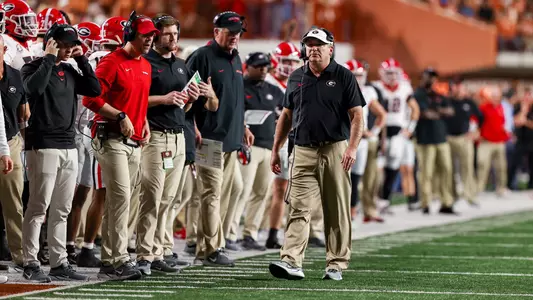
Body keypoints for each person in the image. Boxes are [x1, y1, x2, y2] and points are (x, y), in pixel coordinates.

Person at [269, 27, 365, 281]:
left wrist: (352, 147)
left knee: (336, 209)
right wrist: (276, 148)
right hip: (301, 149)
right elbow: (286, 116)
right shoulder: (296, 76)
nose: (313, 48)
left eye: (318, 44)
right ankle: (291, 261)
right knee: (298, 207)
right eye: (309, 44)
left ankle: (336, 263)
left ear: (329, 48)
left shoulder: (343, 76)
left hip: (334, 148)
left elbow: (357, 115)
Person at [21, 23, 101, 282]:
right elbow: (32, 89)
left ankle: (59, 262)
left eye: (71, 45)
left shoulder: (70, 69)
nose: (68, 49)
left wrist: (83, 59)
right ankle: (31, 262)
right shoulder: (33, 67)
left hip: (68, 144)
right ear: (52, 43)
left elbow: (94, 89)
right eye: (64, 45)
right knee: (38, 208)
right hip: (42, 144)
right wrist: (48, 58)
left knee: (62, 209)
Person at [82, 11, 158, 280]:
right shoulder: (111, 62)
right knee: (121, 197)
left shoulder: (146, 65)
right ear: (130, 35)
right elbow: (90, 100)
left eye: (151, 35)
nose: (149, 39)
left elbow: (139, 100)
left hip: (135, 140)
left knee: (124, 200)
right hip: (110, 137)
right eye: (144, 34)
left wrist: (143, 120)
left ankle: (109, 261)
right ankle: (119, 258)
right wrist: (120, 115)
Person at [185, 11, 253, 266]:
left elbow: (234, 99)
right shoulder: (202, 57)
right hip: (209, 138)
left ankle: (207, 245)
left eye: (237, 33)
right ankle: (212, 249)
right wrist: (192, 127)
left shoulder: (235, 58)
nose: (235, 37)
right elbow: (185, 95)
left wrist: (243, 126)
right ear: (216, 32)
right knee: (211, 194)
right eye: (230, 32)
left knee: (233, 188)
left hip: (231, 139)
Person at [135, 14, 199, 275]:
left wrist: (191, 98)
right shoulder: (146, 63)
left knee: (169, 200)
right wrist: (164, 99)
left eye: (176, 33)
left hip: (177, 136)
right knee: (151, 197)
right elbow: (137, 100)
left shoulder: (182, 65)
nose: (173, 38)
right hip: (155, 137)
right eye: (168, 34)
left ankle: (159, 251)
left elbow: (182, 106)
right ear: (156, 35)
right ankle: (143, 254)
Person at [76, 16, 127, 269]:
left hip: (80, 130)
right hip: (97, 128)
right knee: (101, 192)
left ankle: (77, 244)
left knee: (83, 192)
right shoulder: (110, 61)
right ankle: (86, 246)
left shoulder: (91, 57)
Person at [228, 52, 284, 250]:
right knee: (241, 190)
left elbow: (286, 112)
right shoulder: (239, 87)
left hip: (269, 147)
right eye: (258, 65)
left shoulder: (274, 90)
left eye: (265, 66)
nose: (263, 69)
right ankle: (230, 234)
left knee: (261, 192)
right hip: (246, 147)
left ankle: (250, 234)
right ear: (247, 66)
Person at [372, 58, 419, 214]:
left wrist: (410, 129)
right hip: (380, 131)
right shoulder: (376, 87)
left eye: (394, 73)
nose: (392, 76)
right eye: (389, 73)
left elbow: (415, 109)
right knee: (376, 168)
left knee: (393, 167)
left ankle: (384, 200)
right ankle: (371, 200)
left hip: (398, 131)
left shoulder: (405, 88)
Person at [343, 59, 386, 222]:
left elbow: (382, 114)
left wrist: (373, 132)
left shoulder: (368, 91)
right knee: (340, 176)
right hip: (342, 138)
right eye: (353, 75)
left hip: (361, 140)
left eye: (359, 76)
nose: (357, 79)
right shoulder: (337, 89)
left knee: (356, 176)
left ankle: (353, 211)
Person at [0, 34, 26, 269]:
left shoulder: (15, 75)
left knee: (14, 202)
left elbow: (23, 113)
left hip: (11, 141)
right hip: (5, 141)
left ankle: (20, 256)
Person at [414, 68, 456, 214]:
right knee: (427, 172)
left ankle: (446, 202)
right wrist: (440, 111)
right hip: (425, 139)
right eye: (429, 77)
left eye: (433, 77)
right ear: (423, 77)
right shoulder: (418, 94)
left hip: (441, 138)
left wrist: (436, 112)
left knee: (446, 170)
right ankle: (425, 203)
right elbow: (424, 113)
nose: (432, 80)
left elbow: (451, 111)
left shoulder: (439, 95)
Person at [445, 78, 482, 205]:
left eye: (458, 86)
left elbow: (481, 118)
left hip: (464, 138)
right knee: (449, 169)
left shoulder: (469, 102)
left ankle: (469, 194)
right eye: (454, 86)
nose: (456, 89)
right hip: (448, 138)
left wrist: (476, 132)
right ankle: (452, 195)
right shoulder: (447, 101)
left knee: (467, 167)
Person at [476, 86, 510, 196]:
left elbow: (504, 122)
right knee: (482, 165)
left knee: (501, 167)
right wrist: (478, 133)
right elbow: (476, 121)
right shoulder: (484, 108)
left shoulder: (502, 107)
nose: (495, 98)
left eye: (497, 96)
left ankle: (501, 188)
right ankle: (479, 188)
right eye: (493, 96)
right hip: (486, 141)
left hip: (499, 141)